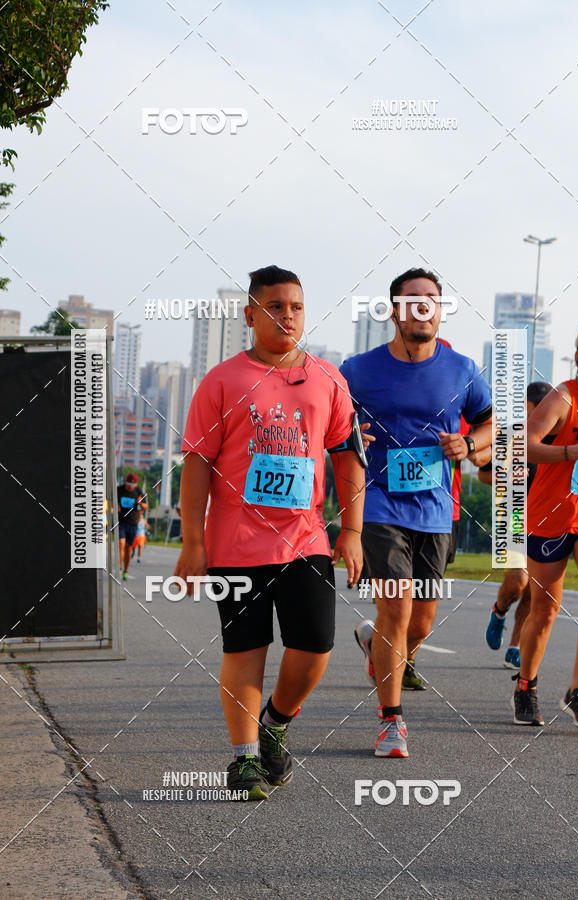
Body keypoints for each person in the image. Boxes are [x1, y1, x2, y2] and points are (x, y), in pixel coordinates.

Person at [175, 265, 365, 800]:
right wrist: (193, 542)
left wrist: (352, 530)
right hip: (236, 543)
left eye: (296, 307)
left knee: (316, 645)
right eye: (276, 306)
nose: (287, 316)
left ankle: (276, 722)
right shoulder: (223, 380)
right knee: (245, 648)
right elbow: (196, 464)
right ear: (251, 314)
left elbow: (348, 456)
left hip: (306, 539)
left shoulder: (328, 379)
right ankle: (244, 759)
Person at [343, 268, 493, 757]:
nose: (423, 306)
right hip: (379, 503)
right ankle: (391, 722)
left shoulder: (463, 369)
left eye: (432, 298)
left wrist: (470, 444)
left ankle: (378, 648)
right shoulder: (357, 369)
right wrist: (348, 434)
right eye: (413, 299)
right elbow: (328, 418)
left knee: (421, 623)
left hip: (435, 510)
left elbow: (492, 422)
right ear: (394, 311)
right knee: (397, 608)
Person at [512, 321, 578, 727]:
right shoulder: (564, 397)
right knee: (545, 611)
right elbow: (524, 445)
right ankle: (525, 685)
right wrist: (572, 452)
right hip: (549, 519)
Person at [479, 382, 553, 669]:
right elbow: (484, 474)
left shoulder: (557, 439)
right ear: (527, 406)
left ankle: (515, 647)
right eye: (538, 405)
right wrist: (507, 478)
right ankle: (499, 611)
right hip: (515, 516)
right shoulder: (509, 436)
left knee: (534, 590)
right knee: (518, 582)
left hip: (546, 519)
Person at [117, 473, 147, 580]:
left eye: (132, 485)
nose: (130, 487)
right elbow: (111, 501)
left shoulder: (138, 492)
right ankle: (119, 567)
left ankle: (125, 570)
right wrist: (114, 507)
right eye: (128, 484)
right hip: (121, 521)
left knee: (128, 547)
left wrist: (140, 503)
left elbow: (146, 506)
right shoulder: (119, 490)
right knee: (121, 543)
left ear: (135, 485)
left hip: (133, 522)